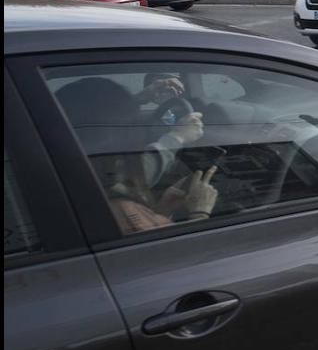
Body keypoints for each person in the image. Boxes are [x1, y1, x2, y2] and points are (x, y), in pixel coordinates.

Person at [53, 75, 219, 234]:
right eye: (131, 119)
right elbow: (183, 256)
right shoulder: (120, 206)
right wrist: (199, 214)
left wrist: (161, 210)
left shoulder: (70, 180)